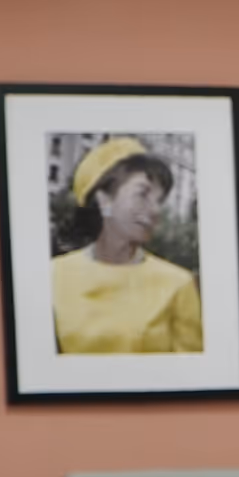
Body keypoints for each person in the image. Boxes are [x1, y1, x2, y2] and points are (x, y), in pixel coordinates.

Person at [49, 137, 204, 354]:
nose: (155, 210)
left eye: (159, 200)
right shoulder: (53, 275)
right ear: (105, 201)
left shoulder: (178, 284)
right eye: (143, 194)